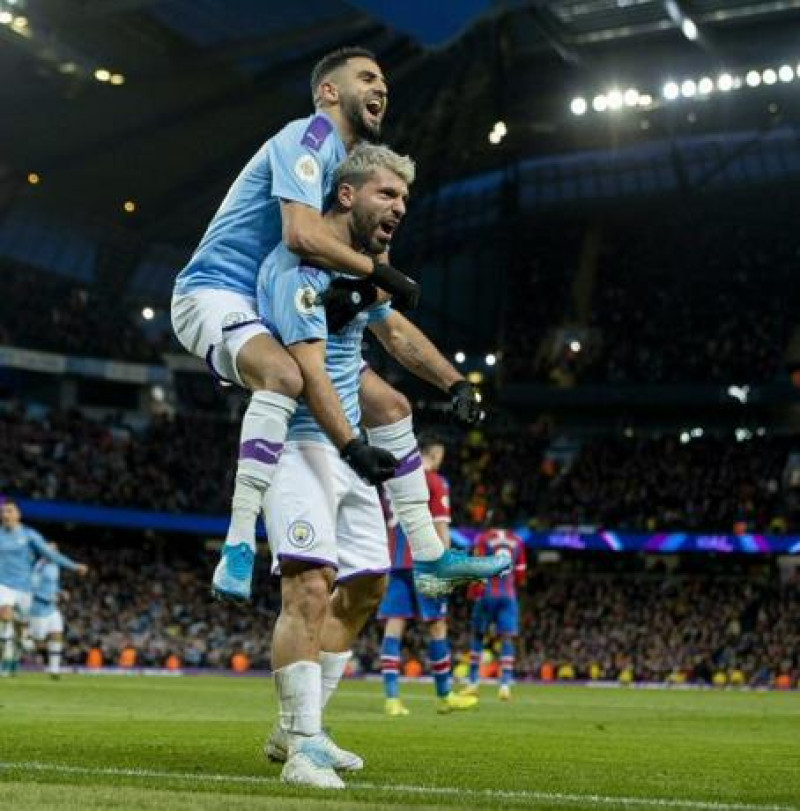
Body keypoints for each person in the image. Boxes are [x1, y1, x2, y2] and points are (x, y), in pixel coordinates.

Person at [170, 46, 483, 603]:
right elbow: (298, 235)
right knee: (287, 377)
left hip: (273, 304)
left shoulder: (347, 175)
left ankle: (431, 556)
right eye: (366, 77)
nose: (380, 86)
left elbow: (386, 321)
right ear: (330, 92)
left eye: (384, 79)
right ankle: (240, 544)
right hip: (215, 291)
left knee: (390, 406)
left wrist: (453, 381)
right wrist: (380, 273)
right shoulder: (308, 139)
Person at [257, 144, 510, 789]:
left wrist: (456, 383)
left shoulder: (358, 275)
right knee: (309, 586)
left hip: (348, 451)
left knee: (367, 586)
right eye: (386, 194)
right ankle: (305, 749)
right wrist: (350, 445)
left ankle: (298, 731)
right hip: (301, 447)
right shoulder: (296, 270)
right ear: (347, 196)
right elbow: (309, 371)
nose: (399, 207)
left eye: (403, 197)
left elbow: (394, 335)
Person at [378, 433, 477, 716]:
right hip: (424, 561)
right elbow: (440, 527)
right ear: (433, 455)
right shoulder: (434, 481)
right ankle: (445, 695)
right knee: (436, 626)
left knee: (394, 625)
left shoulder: (391, 479)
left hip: (395, 562)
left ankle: (392, 699)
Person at [0, 499, 88, 676]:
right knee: (5, 612)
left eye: (10, 511)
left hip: (24, 588)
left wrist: (73, 566)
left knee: (23, 632)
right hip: (3, 584)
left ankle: (16, 653)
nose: (5, 515)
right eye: (3, 512)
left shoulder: (29, 535)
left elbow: (50, 554)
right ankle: (7, 653)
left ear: (18, 515)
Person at [463, 525, 527, 700]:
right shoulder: (517, 541)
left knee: (478, 636)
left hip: (487, 593)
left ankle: (473, 683)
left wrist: (472, 592)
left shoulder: (484, 538)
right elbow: (521, 575)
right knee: (507, 638)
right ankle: (505, 686)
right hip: (508, 595)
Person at [29, 544, 83, 679]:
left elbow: (53, 585)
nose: (54, 553)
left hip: (52, 608)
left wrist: (61, 592)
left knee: (57, 634)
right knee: (38, 643)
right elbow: (32, 588)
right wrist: (48, 597)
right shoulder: (39, 567)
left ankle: (54, 670)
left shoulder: (55, 566)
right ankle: (20, 642)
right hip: (39, 607)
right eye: (51, 550)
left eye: (56, 550)